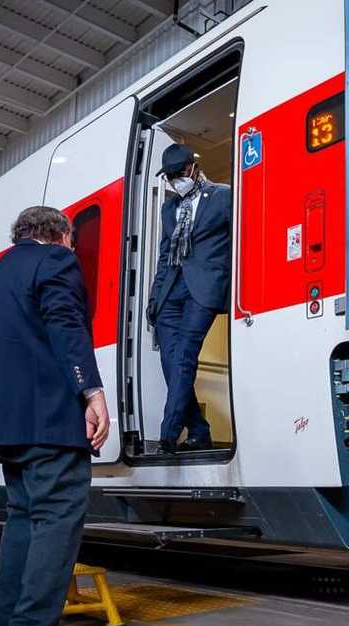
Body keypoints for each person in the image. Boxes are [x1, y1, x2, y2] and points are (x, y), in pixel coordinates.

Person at [0, 205, 110, 626]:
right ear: (60, 235)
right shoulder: (54, 260)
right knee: (55, 523)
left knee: (24, 524)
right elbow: (66, 326)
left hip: (5, 425)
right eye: (71, 240)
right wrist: (91, 391)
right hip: (49, 420)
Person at [146, 143, 232, 454]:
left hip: (205, 287)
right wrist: (154, 299)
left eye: (176, 175)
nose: (173, 182)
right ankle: (199, 430)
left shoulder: (224, 196)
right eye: (168, 178)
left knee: (183, 356)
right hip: (171, 289)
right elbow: (164, 255)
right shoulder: (169, 208)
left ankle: (168, 434)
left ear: (192, 169)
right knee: (170, 363)